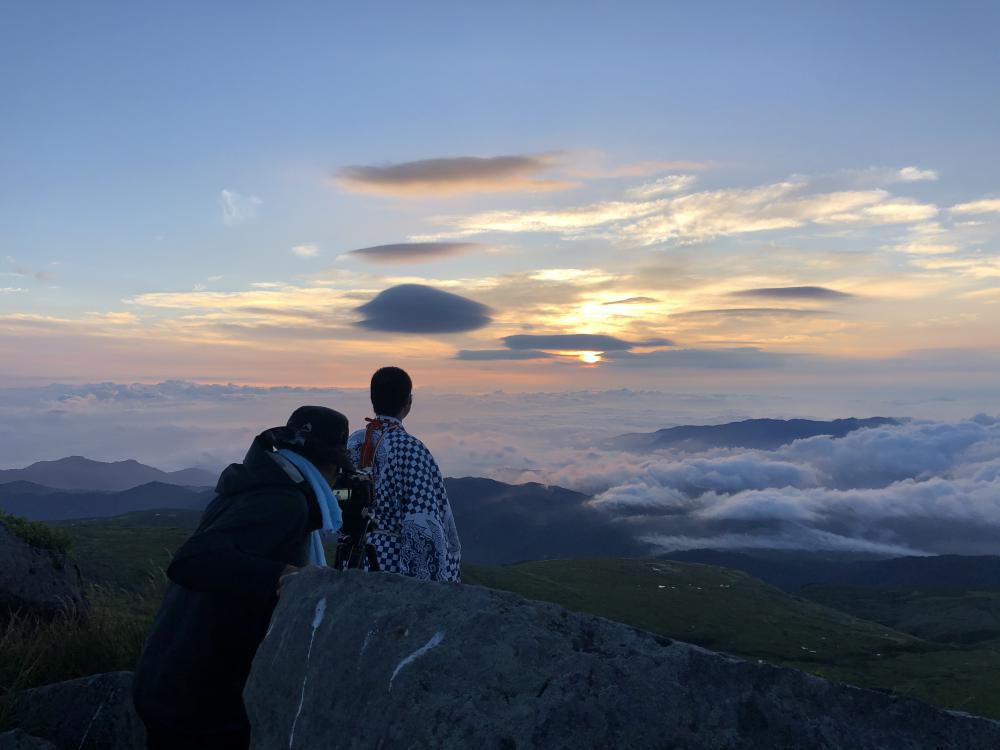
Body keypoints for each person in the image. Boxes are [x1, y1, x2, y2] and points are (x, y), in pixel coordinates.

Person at [133, 406, 350, 750]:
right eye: (338, 468)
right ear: (324, 464)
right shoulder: (283, 502)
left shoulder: (251, 487)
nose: (337, 479)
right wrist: (284, 575)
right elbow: (192, 561)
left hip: (168, 676)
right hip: (201, 699)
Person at [347, 366, 461, 581]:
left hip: (352, 554)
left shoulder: (354, 441)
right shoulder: (411, 448)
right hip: (391, 563)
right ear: (408, 401)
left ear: (373, 398)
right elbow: (423, 518)